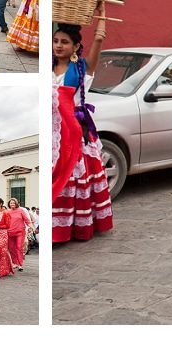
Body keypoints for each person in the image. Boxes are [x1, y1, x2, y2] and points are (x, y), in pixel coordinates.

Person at [52, 12, 114, 243]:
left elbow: (99, 39)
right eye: (56, 41)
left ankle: (70, 229)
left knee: (71, 177)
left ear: (76, 46)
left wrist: (102, 13)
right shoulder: (46, 67)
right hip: (51, 129)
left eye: (64, 42)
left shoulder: (83, 69)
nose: (58, 45)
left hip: (73, 129)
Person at [5, 198, 32, 271]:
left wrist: (32, 227)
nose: (12, 204)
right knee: (11, 248)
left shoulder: (21, 210)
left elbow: (27, 220)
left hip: (20, 232)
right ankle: (15, 263)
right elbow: (4, 222)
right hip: (9, 232)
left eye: (13, 203)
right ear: (9, 204)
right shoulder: (7, 212)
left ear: (16, 203)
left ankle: (20, 264)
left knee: (19, 247)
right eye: (11, 203)